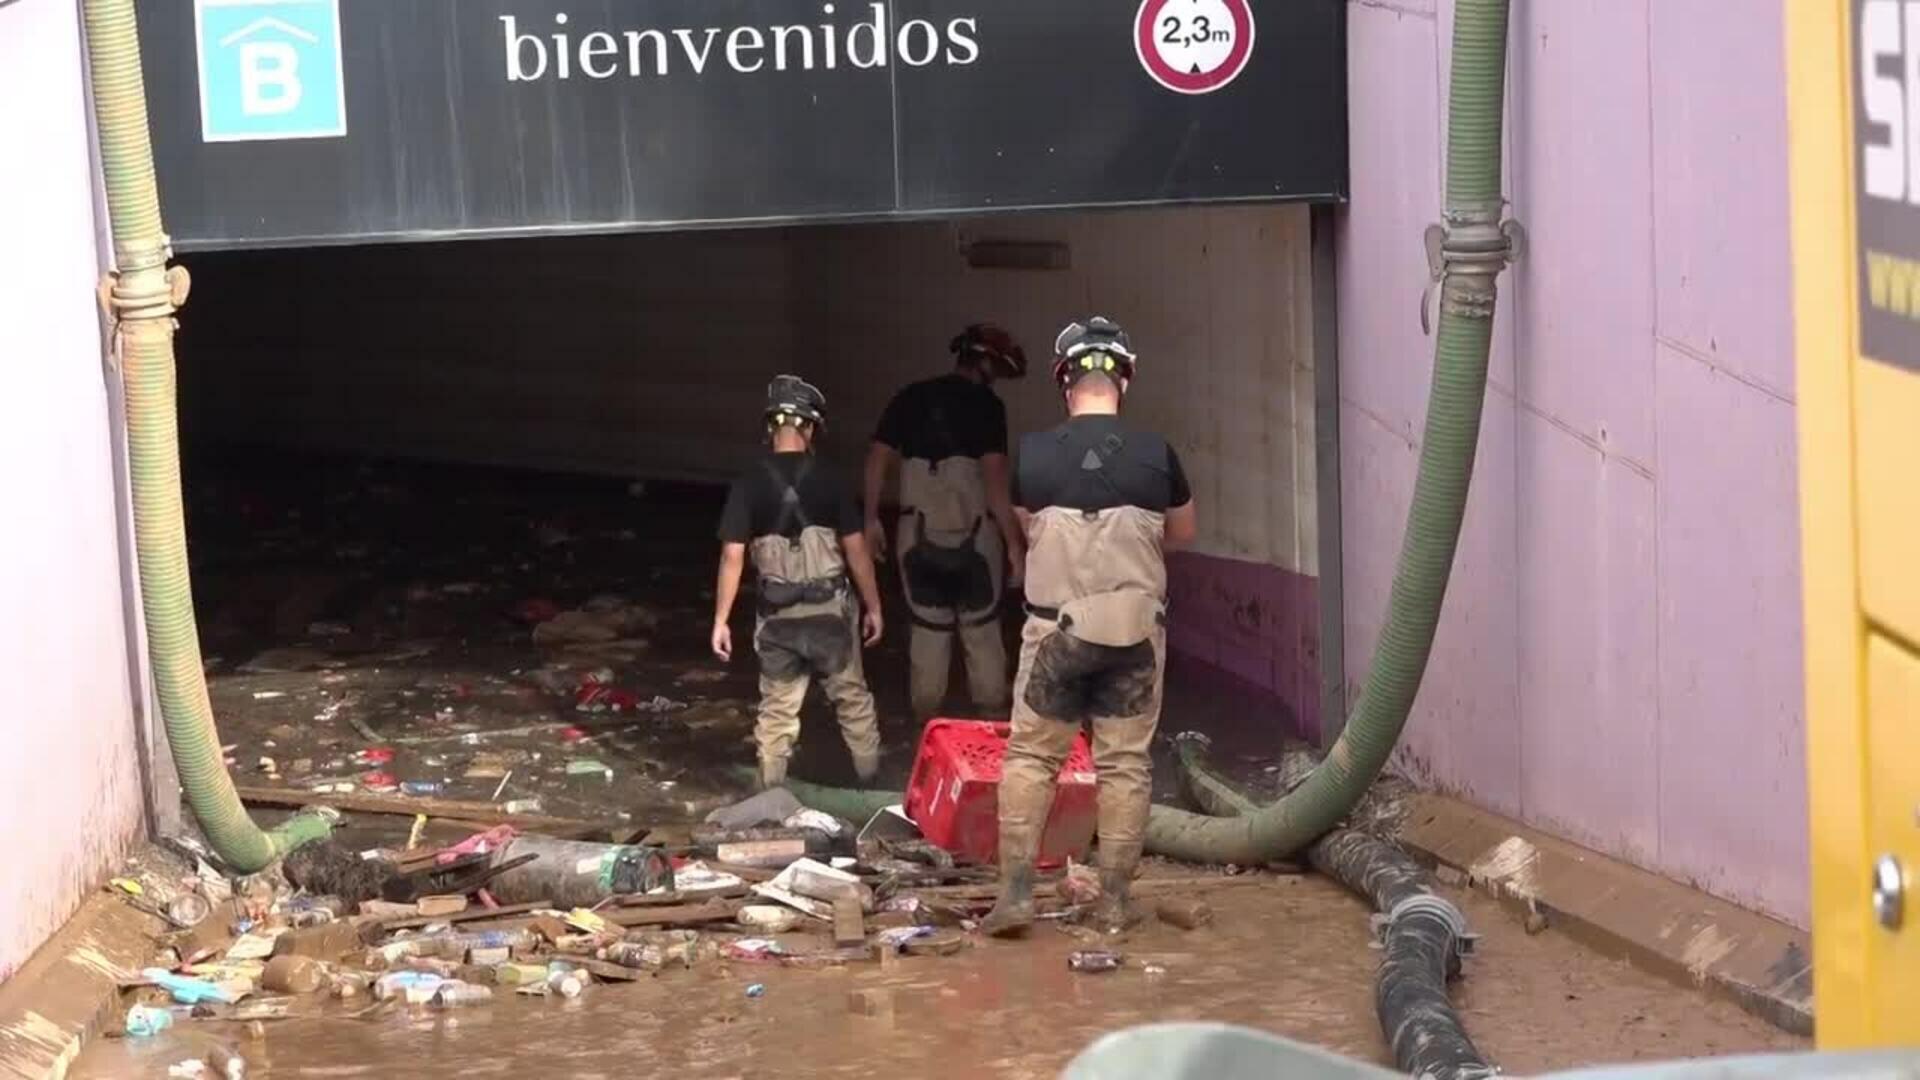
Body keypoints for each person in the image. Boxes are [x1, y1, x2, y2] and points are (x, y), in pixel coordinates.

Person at [980, 317, 1198, 936]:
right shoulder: (1157, 453)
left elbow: (1029, 526)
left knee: (1030, 759)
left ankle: (1017, 895)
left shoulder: (1034, 454)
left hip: (1055, 637)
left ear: (1064, 381)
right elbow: (1182, 534)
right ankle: (1113, 901)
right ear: (1123, 378)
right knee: (1125, 765)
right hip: (1134, 639)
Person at [712, 376, 886, 788]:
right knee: (853, 702)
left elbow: (731, 555)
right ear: (809, 428)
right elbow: (857, 549)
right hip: (830, 616)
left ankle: (770, 792)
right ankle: (872, 785)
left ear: (771, 427)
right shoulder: (830, 478)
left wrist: (721, 619)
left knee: (776, 712)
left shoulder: (747, 483)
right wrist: (875, 605)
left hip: (777, 620)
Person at [863, 324, 1028, 721]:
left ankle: (926, 730)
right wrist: (1015, 546)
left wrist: (870, 519)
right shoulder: (988, 407)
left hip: (916, 537)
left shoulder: (911, 397)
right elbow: (994, 482)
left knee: (928, 632)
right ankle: (990, 728)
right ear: (987, 363)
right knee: (982, 632)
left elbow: (877, 459)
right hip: (976, 540)